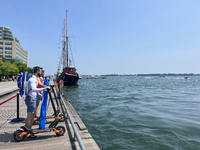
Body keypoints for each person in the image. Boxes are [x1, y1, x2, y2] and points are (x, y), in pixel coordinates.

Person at [24, 66, 50, 138]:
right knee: (30, 117)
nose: (41, 73)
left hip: (33, 98)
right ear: (37, 72)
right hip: (31, 99)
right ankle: (27, 132)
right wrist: (44, 88)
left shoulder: (34, 79)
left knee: (31, 116)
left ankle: (28, 131)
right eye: (41, 71)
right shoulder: (32, 79)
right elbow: (33, 89)